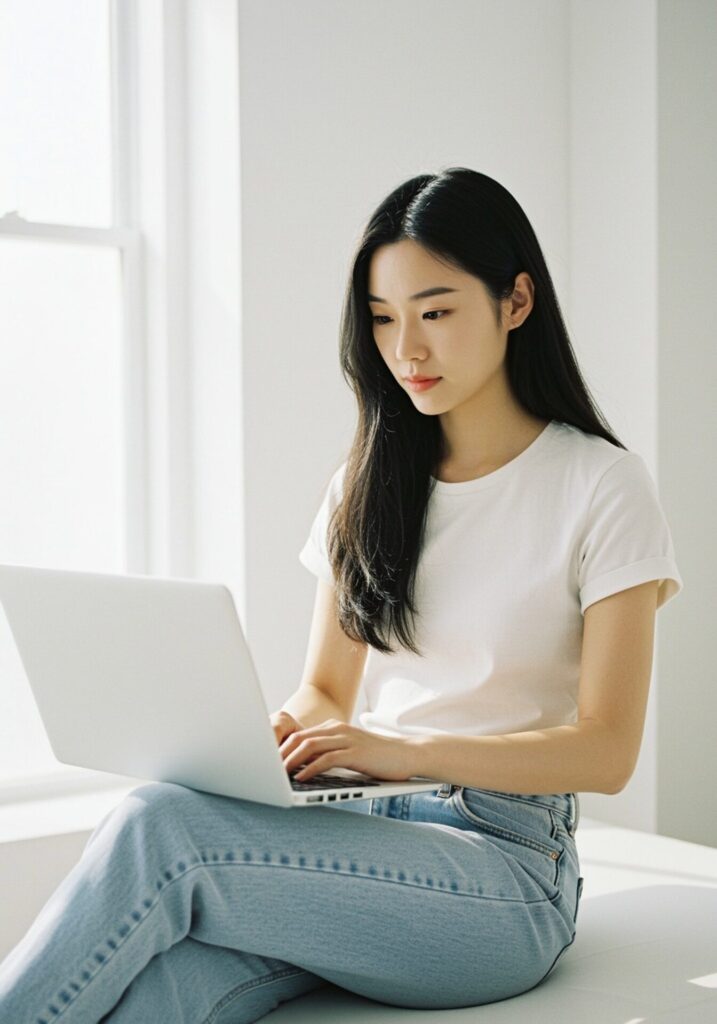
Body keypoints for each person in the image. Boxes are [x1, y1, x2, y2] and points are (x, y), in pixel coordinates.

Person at [0, 167, 683, 1022]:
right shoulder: (366, 482)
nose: (407, 350)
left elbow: (605, 751)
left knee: (158, 827)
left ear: (515, 301)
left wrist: (412, 750)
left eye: (435, 312)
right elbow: (326, 689)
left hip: (505, 869)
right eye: (383, 318)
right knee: (163, 992)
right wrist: (280, 735)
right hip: (363, 826)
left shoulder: (602, 485)